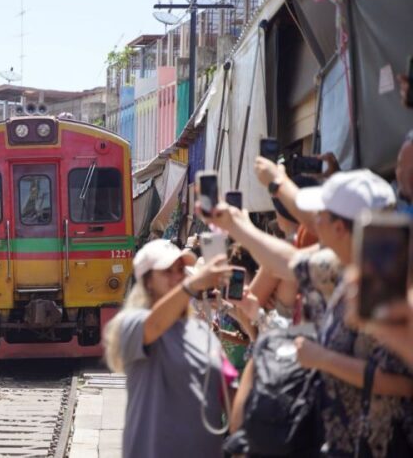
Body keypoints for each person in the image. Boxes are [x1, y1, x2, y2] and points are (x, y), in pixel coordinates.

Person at [209, 170, 413, 456]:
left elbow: (404, 384)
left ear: (340, 228)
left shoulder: (399, 285)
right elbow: (289, 261)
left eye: (322, 215)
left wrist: (324, 359)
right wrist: (236, 225)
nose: (313, 221)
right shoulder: (338, 267)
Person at [103, 239, 232, 458]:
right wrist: (191, 286)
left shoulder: (201, 330)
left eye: (181, 270)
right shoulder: (131, 322)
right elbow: (155, 325)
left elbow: (229, 386)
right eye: (166, 271)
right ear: (148, 281)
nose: (177, 277)